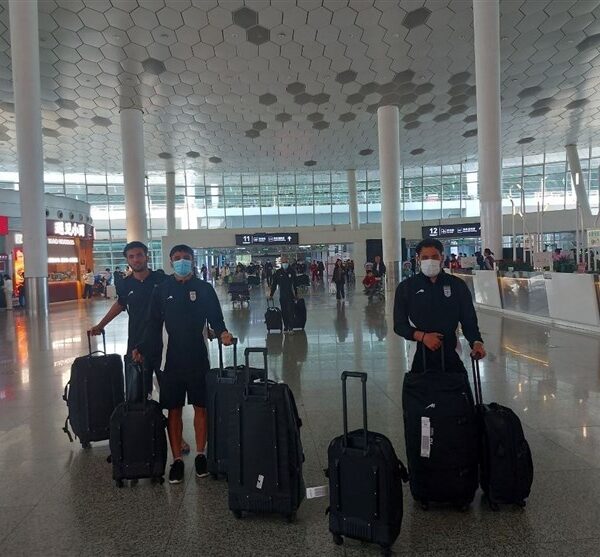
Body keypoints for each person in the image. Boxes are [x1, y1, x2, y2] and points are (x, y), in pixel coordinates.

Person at [133, 244, 234, 484]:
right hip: (170, 362)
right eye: (177, 258)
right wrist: (142, 348)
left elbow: (216, 318)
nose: (182, 261)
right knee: (174, 410)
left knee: (201, 408)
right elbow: (152, 323)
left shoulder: (204, 288)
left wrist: (223, 333)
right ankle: (176, 459)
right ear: (170, 261)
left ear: (192, 260)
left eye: (186, 258)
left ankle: (201, 454)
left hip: (199, 359)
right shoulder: (161, 289)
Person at [393, 238, 486, 375]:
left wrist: (476, 342)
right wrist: (423, 337)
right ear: (418, 259)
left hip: (451, 351)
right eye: (425, 257)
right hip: (419, 353)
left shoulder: (457, 285)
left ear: (442, 257)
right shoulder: (406, 288)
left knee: (455, 393)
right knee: (423, 394)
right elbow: (399, 325)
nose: (430, 261)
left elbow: (468, 320)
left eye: (435, 256)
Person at [269, 255, 297, 333]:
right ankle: (286, 326)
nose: (285, 263)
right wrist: (271, 294)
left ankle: (291, 327)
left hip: (291, 295)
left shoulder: (292, 271)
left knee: (291, 311)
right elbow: (274, 284)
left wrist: (296, 294)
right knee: (284, 312)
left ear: (288, 262)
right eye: (283, 262)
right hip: (282, 295)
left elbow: (295, 284)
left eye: (286, 262)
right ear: (281, 263)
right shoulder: (278, 272)